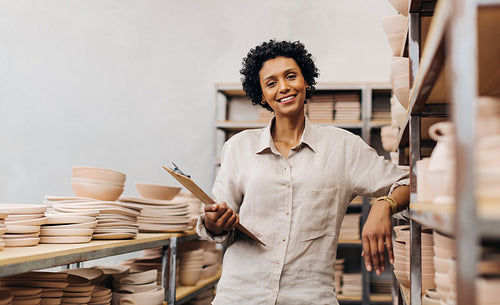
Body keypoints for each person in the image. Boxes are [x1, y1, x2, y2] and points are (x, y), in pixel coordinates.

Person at [196, 39, 410, 305]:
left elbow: (408, 183)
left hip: (309, 297)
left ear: (306, 81)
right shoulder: (238, 147)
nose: (284, 87)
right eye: (271, 83)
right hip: (239, 295)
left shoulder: (342, 147)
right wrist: (215, 222)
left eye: (291, 76)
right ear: (262, 95)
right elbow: (215, 223)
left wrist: (383, 205)